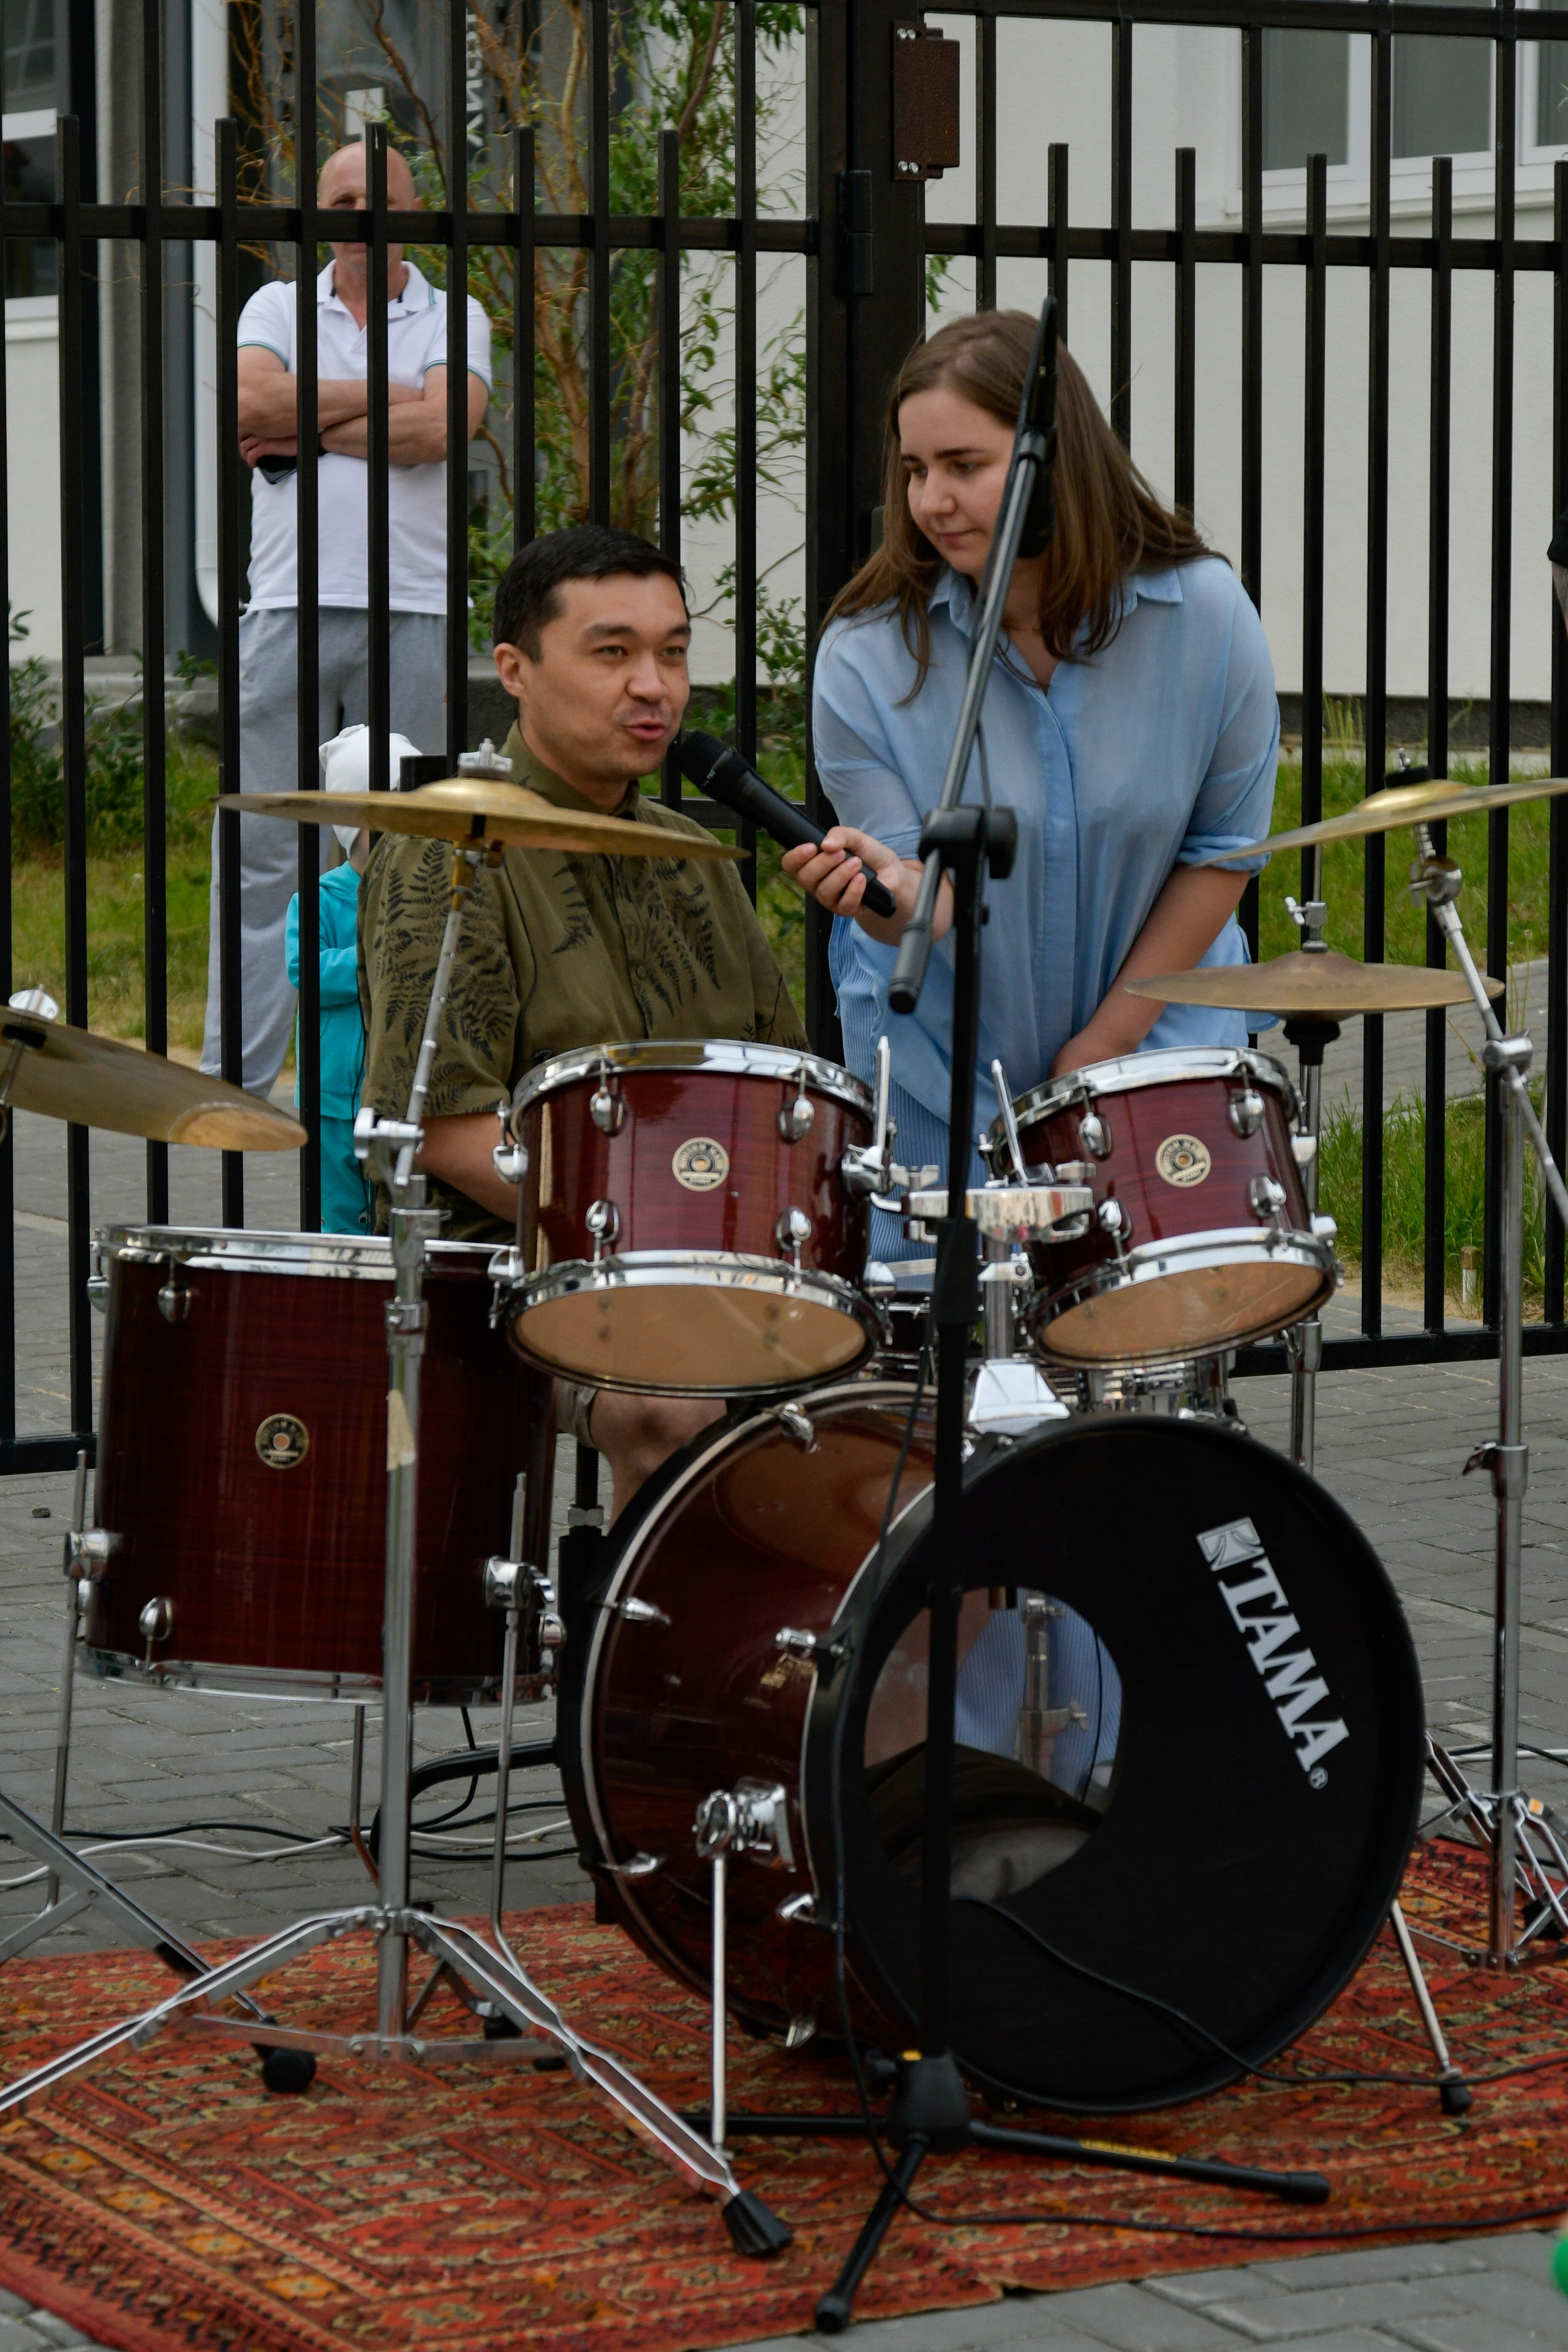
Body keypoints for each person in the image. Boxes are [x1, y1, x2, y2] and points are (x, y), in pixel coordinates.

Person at [784, 309, 1279, 1248]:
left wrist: (1101, 1053)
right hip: (941, 1081)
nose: (930, 501)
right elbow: (923, 904)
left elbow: (1225, 851)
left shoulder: (1208, 617)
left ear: (1054, 461)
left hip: (1155, 1059)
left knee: (1148, 1382)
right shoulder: (863, 661)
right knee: (935, 1384)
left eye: (963, 466)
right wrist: (881, 895)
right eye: (914, 471)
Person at [357, 524, 807, 1517]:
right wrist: (666, 1247)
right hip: (506, 1272)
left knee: (911, 1383)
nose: (654, 685)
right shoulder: (451, 848)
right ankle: (667, 1663)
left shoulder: (694, 854)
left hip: (710, 1256)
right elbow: (447, 1130)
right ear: (515, 669)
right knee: (670, 1407)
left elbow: (789, 1097)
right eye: (613, 653)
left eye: (674, 652)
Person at [202, 137, 492, 1098]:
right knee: (262, 852)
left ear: (413, 214)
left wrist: (304, 422)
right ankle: (231, 1090)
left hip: (414, 610)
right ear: (318, 214)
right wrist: (387, 407)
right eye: (340, 197)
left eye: (379, 197)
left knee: (407, 851)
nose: (360, 212)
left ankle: (395, 1079)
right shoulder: (275, 305)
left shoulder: (458, 314)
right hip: (285, 606)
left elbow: (446, 427)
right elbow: (250, 399)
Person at [285, 726, 418, 1235]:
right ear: (353, 828)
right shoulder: (318, 897)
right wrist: (375, 956)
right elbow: (306, 971)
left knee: (402, 1199)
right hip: (333, 1092)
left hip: (401, 1087)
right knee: (341, 1209)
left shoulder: (419, 896)